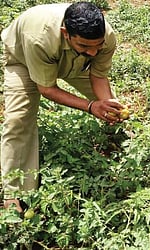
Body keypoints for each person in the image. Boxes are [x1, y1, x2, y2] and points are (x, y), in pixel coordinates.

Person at [1, 2, 127, 213]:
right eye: (86, 45)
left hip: (76, 61)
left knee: (110, 104)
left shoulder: (104, 37)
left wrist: (105, 107)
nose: (95, 52)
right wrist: (90, 106)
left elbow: (98, 75)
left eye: (98, 45)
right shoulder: (38, 37)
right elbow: (47, 89)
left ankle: (124, 143)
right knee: (18, 120)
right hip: (24, 58)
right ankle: (15, 193)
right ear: (65, 33)